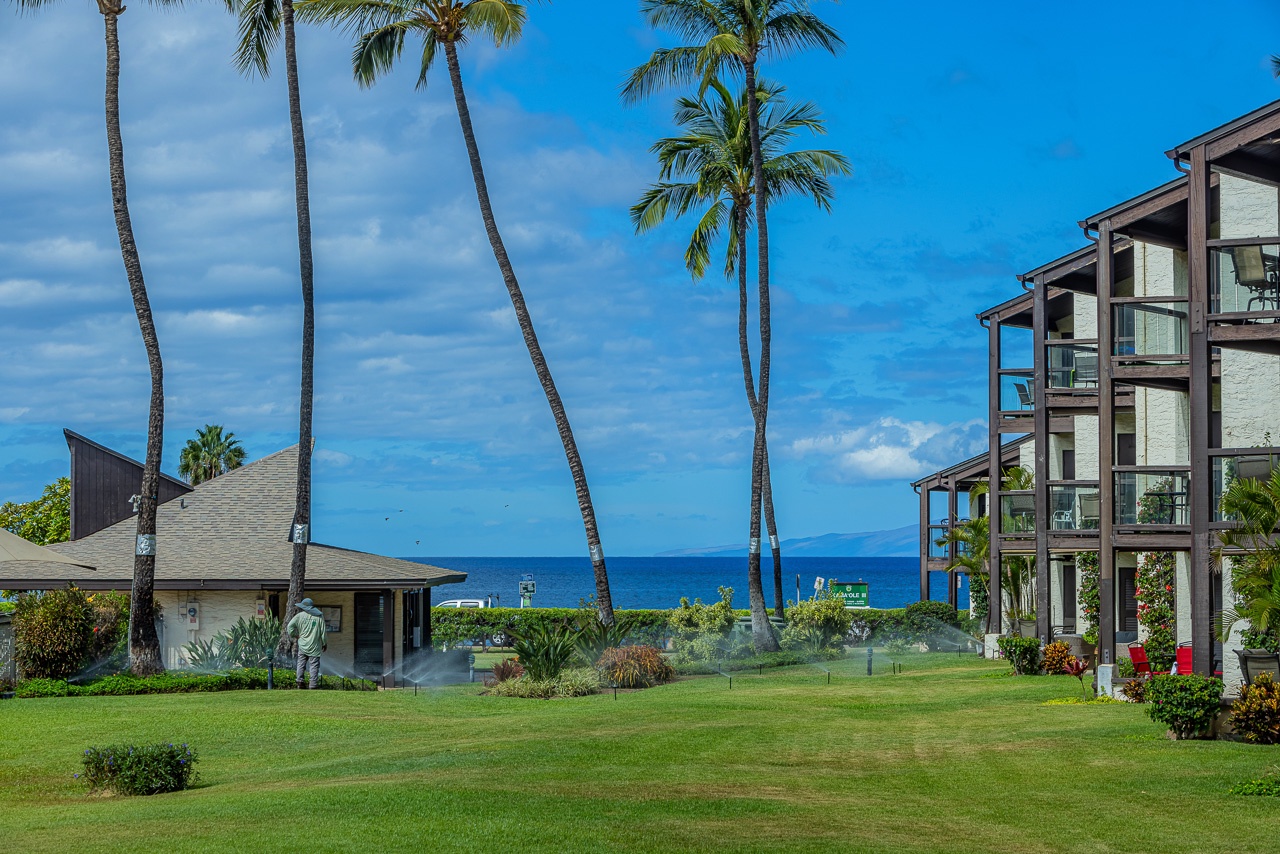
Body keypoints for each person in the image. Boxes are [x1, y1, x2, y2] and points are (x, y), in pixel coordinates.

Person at [287, 598, 327, 689]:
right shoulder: (319, 617)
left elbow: (290, 626)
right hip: (315, 646)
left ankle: (299, 682)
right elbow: (323, 633)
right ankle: (313, 685)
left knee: (301, 664)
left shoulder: (299, 616)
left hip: (303, 645)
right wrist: (324, 643)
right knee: (314, 665)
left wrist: (295, 635)